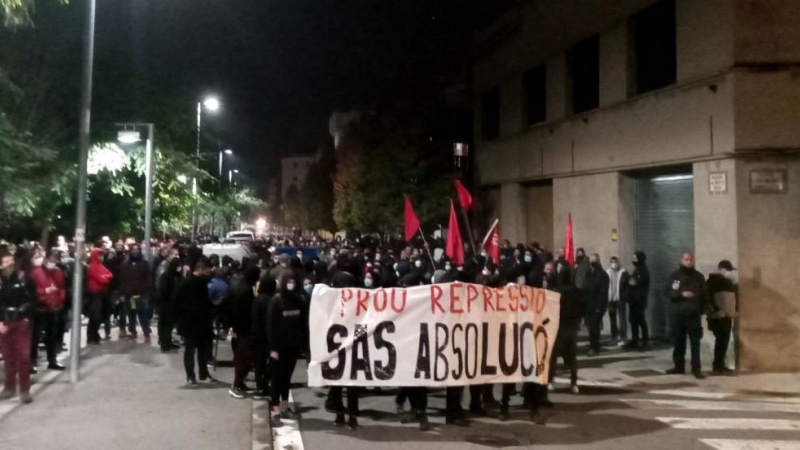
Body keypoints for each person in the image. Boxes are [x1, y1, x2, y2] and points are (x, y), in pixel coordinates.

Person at [268, 274, 307, 427]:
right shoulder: (277, 300)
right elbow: (270, 326)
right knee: (277, 379)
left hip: (293, 346)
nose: (291, 284)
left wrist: (303, 343)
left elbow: (303, 324)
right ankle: (275, 411)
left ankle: (285, 407)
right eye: (288, 282)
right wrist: (273, 348)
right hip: (279, 347)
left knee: (286, 378)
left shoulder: (299, 301)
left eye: (293, 282)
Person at [0, 249, 37, 403]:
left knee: (23, 357)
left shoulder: (24, 279)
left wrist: (26, 316)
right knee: (8, 358)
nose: (10, 264)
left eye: (11, 261)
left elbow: (33, 299)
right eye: (6, 261)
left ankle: (24, 390)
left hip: (21, 322)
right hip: (3, 324)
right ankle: (9, 387)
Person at [175, 258, 217, 385]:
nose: (208, 272)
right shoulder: (186, 283)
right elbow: (176, 301)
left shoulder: (202, 282)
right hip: (189, 321)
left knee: (203, 350)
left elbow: (205, 300)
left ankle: (203, 373)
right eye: (206, 270)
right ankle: (190, 375)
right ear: (200, 269)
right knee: (190, 349)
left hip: (202, 321)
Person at [666, 252, 706, 379]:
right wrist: (681, 294)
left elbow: (704, 294)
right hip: (678, 314)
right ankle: (679, 365)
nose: (688, 262)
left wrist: (702, 310)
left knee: (695, 342)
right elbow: (668, 292)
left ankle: (696, 367)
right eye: (686, 259)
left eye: (690, 260)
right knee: (679, 341)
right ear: (681, 260)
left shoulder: (698, 277)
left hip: (693, 315)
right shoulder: (674, 276)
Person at [30, 251, 66, 371]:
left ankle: (52, 360)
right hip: (40, 308)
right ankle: (32, 362)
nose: (52, 263)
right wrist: (45, 292)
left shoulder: (58, 272)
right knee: (35, 337)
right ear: (45, 259)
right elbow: (32, 291)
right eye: (51, 260)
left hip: (53, 308)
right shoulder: (36, 273)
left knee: (52, 336)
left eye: (55, 260)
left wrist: (59, 300)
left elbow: (61, 288)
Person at [229, 266, 260, 399]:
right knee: (243, 359)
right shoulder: (246, 291)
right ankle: (236, 385)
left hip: (240, 328)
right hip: (244, 330)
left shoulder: (240, 286)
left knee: (242, 358)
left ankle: (240, 383)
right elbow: (242, 312)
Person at [706, 260, 737, 375]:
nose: (730, 273)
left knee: (724, 341)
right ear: (722, 269)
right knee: (721, 341)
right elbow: (708, 297)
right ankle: (717, 365)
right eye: (729, 270)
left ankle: (720, 364)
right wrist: (715, 309)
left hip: (727, 315)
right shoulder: (712, 282)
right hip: (717, 317)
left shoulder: (728, 282)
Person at [119, 244, 152, 342]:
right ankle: (132, 331)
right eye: (133, 249)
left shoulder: (144, 264)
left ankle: (146, 333)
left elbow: (148, 278)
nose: (135, 251)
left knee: (143, 314)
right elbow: (122, 280)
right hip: (129, 295)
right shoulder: (125, 264)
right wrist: (123, 293)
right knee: (131, 314)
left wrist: (145, 291)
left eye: (137, 249)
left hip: (141, 294)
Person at [251, 275, 276, 400]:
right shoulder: (271, 300)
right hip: (268, 335)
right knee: (270, 362)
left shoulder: (257, 299)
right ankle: (265, 384)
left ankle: (259, 384)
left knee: (259, 362)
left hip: (257, 334)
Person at [582, 253, 609, 356]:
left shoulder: (602, 275)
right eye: (591, 261)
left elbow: (603, 293)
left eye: (594, 261)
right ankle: (592, 345)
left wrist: (600, 307)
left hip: (597, 306)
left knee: (594, 327)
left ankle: (595, 347)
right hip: (588, 305)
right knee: (590, 327)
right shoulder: (589, 273)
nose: (592, 263)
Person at [86, 248, 113, 345]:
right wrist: (105, 278)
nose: (101, 257)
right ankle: (91, 336)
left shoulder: (100, 266)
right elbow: (102, 279)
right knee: (95, 316)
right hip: (95, 294)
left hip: (102, 293)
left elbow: (110, 274)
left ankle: (94, 335)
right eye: (100, 255)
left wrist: (105, 277)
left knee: (99, 315)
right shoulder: (92, 267)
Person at [624, 251, 650, 350]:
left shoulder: (643, 270)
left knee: (640, 321)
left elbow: (634, 282)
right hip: (633, 300)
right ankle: (634, 341)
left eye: (635, 258)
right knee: (633, 321)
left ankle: (644, 342)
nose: (633, 260)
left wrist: (628, 277)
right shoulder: (637, 270)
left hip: (639, 301)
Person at [606, 256, 629, 346]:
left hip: (620, 299)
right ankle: (614, 338)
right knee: (613, 320)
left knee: (622, 319)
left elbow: (627, 286)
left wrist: (625, 297)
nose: (614, 264)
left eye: (615, 262)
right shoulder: (607, 273)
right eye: (612, 262)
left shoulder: (623, 272)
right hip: (611, 300)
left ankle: (623, 338)